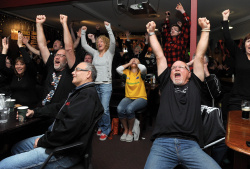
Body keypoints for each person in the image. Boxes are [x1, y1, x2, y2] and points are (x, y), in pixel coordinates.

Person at [144, 18, 221, 169]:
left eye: (182, 67)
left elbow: (199, 56)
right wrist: (152, 33)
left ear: (190, 74)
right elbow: (160, 56)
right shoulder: (166, 83)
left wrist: (205, 30)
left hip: (190, 146)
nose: (176, 69)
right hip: (162, 145)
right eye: (173, 68)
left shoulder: (195, 84)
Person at [0, 61, 104, 168]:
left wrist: (42, 142)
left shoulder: (86, 97)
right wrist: (34, 112)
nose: (73, 72)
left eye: (77, 70)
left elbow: (67, 130)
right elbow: (57, 107)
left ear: (88, 74)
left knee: (3, 165)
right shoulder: (79, 92)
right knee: (16, 147)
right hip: (55, 139)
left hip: (63, 151)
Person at [29, 14, 76, 118]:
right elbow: (42, 46)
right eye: (56, 55)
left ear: (67, 60)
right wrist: (39, 25)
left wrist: (64, 24)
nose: (57, 57)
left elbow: (69, 48)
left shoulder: (70, 71)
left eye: (62, 56)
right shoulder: (51, 65)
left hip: (60, 114)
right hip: (43, 111)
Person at [81, 21, 115, 141]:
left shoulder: (110, 53)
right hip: (95, 84)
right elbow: (84, 45)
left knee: (104, 108)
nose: (99, 43)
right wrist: (83, 32)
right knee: (98, 108)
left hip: (106, 85)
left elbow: (114, 41)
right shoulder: (95, 53)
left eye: (102, 41)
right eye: (98, 41)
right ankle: (101, 125)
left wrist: (108, 28)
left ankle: (106, 129)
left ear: (106, 43)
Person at [0, 33, 39, 108]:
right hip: (14, 107)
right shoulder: (14, 75)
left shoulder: (30, 74)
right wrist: (4, 49)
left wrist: (20, 46)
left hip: (29, 108)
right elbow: (1, 67)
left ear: (25, 66)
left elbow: (29, 62)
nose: (18, 66)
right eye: (17, 64)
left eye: (21, 64)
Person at [222, 9, 250, 111]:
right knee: (234, 126)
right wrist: (225, 19)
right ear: (244, 44)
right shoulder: (239, 54)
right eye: (248, 41)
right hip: (237, 100)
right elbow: (228, 39)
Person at [116, 58, 147, 142]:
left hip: (141, 98)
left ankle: (130, 131)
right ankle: (125, 130)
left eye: (136, 60)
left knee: (129, 109)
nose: (134, 60)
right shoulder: (127, 73)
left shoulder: (141, 72)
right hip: (129, 98)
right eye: (132, 60)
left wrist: (138, 62)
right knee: (119, 109)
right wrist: (128, 64)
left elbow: (144, 68)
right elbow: (118, 69)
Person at [162, 2, 190, 67]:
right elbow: (165, 28)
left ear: (179, 32)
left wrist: (182, 11)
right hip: (168, 68)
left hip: (179, 68)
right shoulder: (169, 39)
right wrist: (167, 17)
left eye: (175, 29)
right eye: (171, 29)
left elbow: (188, 23)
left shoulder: (182, 40)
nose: (172, 30)